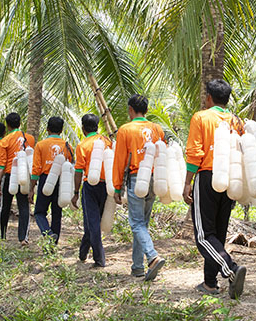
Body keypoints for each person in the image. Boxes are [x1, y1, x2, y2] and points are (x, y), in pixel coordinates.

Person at [183, 78, 247, 299]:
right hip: (231, 179)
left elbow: (195, 153)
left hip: (207, 176)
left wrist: (187, 182)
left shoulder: (201, 117)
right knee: (217, 233)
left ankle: (231, 269)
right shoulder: (236, 121)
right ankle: (210, 283)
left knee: (204, 236)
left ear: (209, 97)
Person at [112, 95, 167, 281]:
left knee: (136, 223)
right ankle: (137, 267)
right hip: (155, 177)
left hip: (137, 178)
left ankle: (152, 256)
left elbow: (120, 160)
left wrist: (117, 186)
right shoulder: (156, 129)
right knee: (142, 224)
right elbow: (163, 153)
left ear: (130, 109)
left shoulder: (125, 130)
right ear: (146, 110)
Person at [74, 113, 111, 267]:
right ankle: (83, 253)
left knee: (93, 222)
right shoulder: (107, 142)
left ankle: (99, 258)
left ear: (83, 128)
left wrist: (76, 192)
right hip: (106, 185)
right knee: (93, 221)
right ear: (97, 126)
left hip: (90, 185)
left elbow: (78, 171)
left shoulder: (83, 145)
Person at [31, 116, 73, 242]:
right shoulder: (67, 146)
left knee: (39, 212)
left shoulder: (41, 145)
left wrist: (31, 188)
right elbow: (70, 167)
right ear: (61, 131)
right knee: (57, 213)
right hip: (61, 181)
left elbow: (36, 169)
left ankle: (47, 233)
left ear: (47, 129)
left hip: (46, 180)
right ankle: (53, 244)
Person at [0, 112, 36, 243]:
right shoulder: (30, 138)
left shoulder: (5, 141)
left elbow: (1, 164)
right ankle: (23, 238)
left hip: (9, 176)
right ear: (20, 123)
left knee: (5, 206)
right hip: (24, 175)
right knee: (23, 206)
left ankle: (2, 235)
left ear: (7, 126)